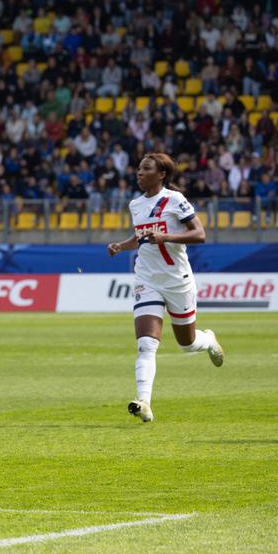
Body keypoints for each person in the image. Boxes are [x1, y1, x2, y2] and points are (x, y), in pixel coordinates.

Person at [107, 153, 224, 423]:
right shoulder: (135, 204)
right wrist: (121, 246)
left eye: (145, 168)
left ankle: (208, 341)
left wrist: (167, 236)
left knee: (187, 343)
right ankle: (144, 402)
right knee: (146, 344)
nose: (139, 173)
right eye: (138, 168)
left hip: (176, 280)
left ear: (161, 174)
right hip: (147, 279)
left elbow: (200, 234)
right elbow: (142, 237)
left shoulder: (175, 200)